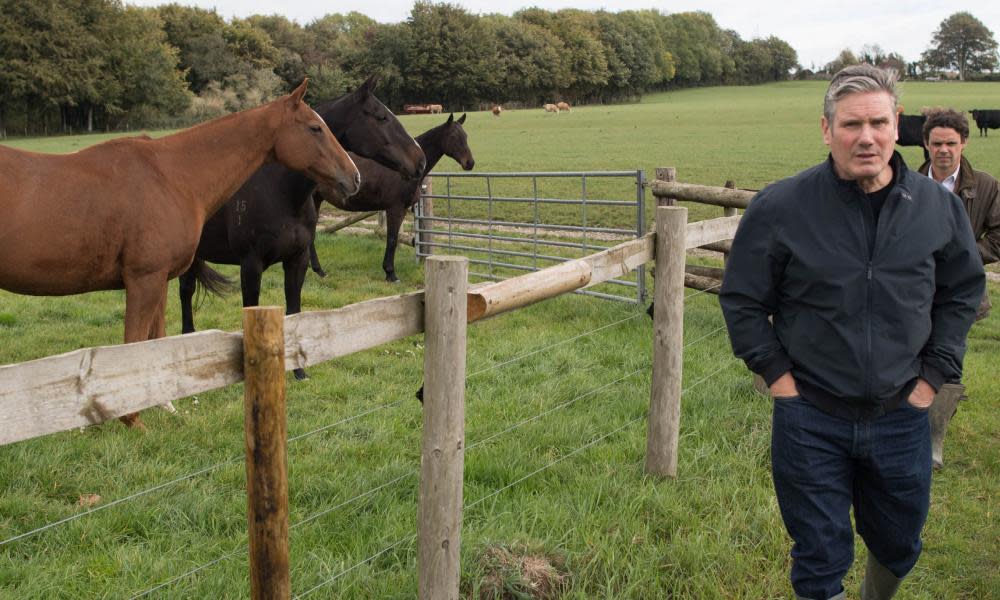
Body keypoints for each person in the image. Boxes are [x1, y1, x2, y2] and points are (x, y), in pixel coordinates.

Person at [719, 64, 984, 600]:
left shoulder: (938, 208)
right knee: (818, 557)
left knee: (899, 544)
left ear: (896, 124)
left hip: (902, 412)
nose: (866, 137)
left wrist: (931, 380)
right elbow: (742, 299)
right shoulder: (782, 207)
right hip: (810, 415)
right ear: (826, 129)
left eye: (878, 122)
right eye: (850, 124)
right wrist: (778, 378)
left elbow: (961, 294)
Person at [917, 107, 1000, 468]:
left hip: (959, 294)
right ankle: (908, 431)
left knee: (948, 359)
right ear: (926, 144)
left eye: (951, 143)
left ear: (963, 143)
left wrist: (964, 257)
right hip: (911, 292)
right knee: (908, 358)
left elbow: (999, 237)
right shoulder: (906, 182)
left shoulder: (985, 186)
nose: (944, 150)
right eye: (937, 143)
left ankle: (935, 440)